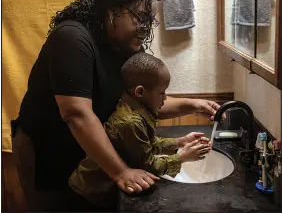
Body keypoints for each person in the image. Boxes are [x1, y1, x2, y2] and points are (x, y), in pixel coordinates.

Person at [11, 0, 223, 211]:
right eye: (139, 18)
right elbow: (76, 113)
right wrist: (121, 171)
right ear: (112, 12)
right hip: (49, 150)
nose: (145, 27)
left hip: (89, 149)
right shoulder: (72, 38)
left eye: (148, 19)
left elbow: (146, 103)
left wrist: (192, 105)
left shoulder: (125, 46)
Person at [68, 53, 212, 211]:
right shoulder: (131, 122)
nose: (165, 99)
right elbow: (149, 165)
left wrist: (179, 142)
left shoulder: (137, 109)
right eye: (162, 93)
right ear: (140, 92)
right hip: (90, 194)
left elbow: (146, 145)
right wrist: (182, 157)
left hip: (96, 190)